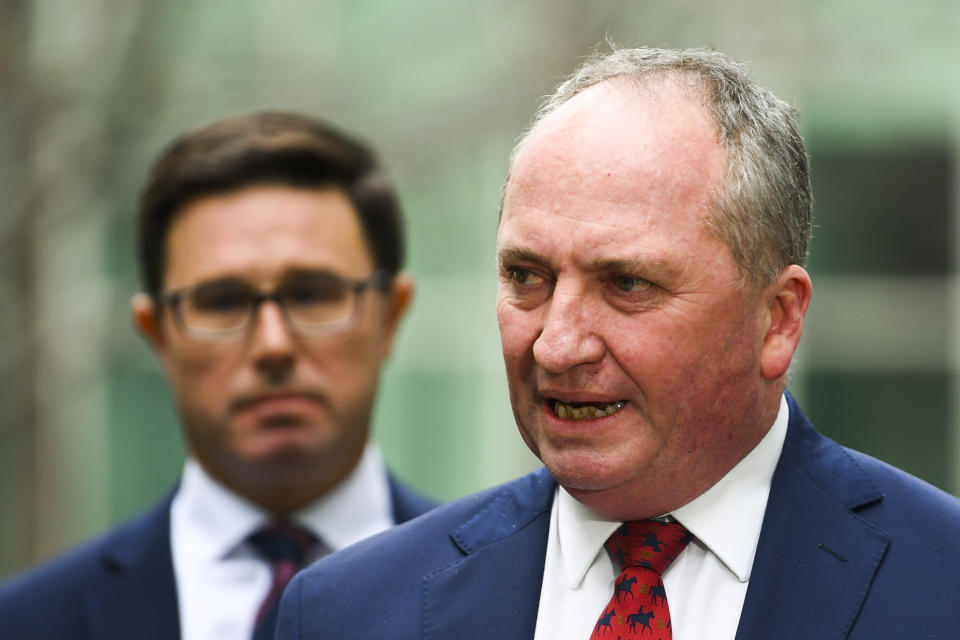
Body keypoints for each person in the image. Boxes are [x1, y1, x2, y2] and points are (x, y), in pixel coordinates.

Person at [274, 47, 960, 639]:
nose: (556, 345)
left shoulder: (941, 586)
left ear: (777, 319)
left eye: (627, 283)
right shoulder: (348, 613)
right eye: (526, 276)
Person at [0, 111, 436, 640]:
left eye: (313, 294)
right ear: (156, 333)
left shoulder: (513, 598)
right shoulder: (26, 624)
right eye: (222, 302)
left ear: (390, 315)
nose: (273, 344)